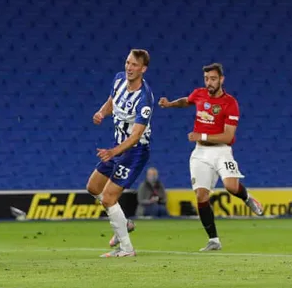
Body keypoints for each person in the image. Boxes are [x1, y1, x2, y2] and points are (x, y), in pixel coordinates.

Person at [158, 63, 263, 252]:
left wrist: (202, 136)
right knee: (201, 195)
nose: (209, 82)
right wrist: (170, 104)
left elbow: (229, 136)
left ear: (221, 79)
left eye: (213, 79)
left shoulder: (230, 103)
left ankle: (247, 198)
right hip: (200, 153)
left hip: (222, 150)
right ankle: (214, 240)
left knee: (231, 186)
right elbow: (187, 101)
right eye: (206, 79)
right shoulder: (199, 94)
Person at [87, 49, 154, 258]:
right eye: (127, 63)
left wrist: (113, 152)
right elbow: (112, 100)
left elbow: (135, 136)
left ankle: (126, 248)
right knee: (93, 187)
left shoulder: (144, 98)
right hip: (116, 148)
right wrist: (101, 112)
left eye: (134, 65)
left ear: (143, 69)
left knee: (108, 198)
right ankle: (123, 223)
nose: (129, 68)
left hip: (134, 152)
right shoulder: (118, 80)